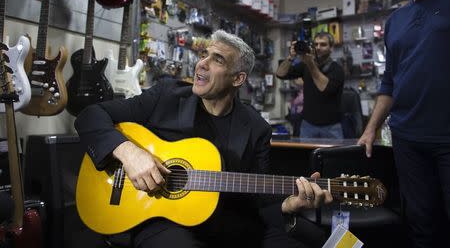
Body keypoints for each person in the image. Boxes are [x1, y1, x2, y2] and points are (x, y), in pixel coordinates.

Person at [75, 30, 333, 248]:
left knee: (309, 241)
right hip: (156, 216)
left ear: (238, 78)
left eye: (217, 59)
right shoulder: (166, 95)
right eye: (203, 55)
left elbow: (258, 202)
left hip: (227, 221)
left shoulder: (257, 128)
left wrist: (288, 205)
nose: (202, 63)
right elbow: (90, 115)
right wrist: (130, 153)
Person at [358, 0, 450, 246]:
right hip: (407, 141)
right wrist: (370, 129)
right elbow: (390, 82)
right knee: (421, 227)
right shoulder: (395, 21)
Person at [276, 32, 345, 139]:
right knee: (305, 156)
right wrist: (290, 57)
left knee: (333, 156)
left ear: (331, 48)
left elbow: (324, 88)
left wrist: (310, 63)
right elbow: (280, 74)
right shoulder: (305, 65)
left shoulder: (337, 69)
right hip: (308, 125)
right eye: (316, 44)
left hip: (331, 127)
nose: (318, 47)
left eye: (323, 44)